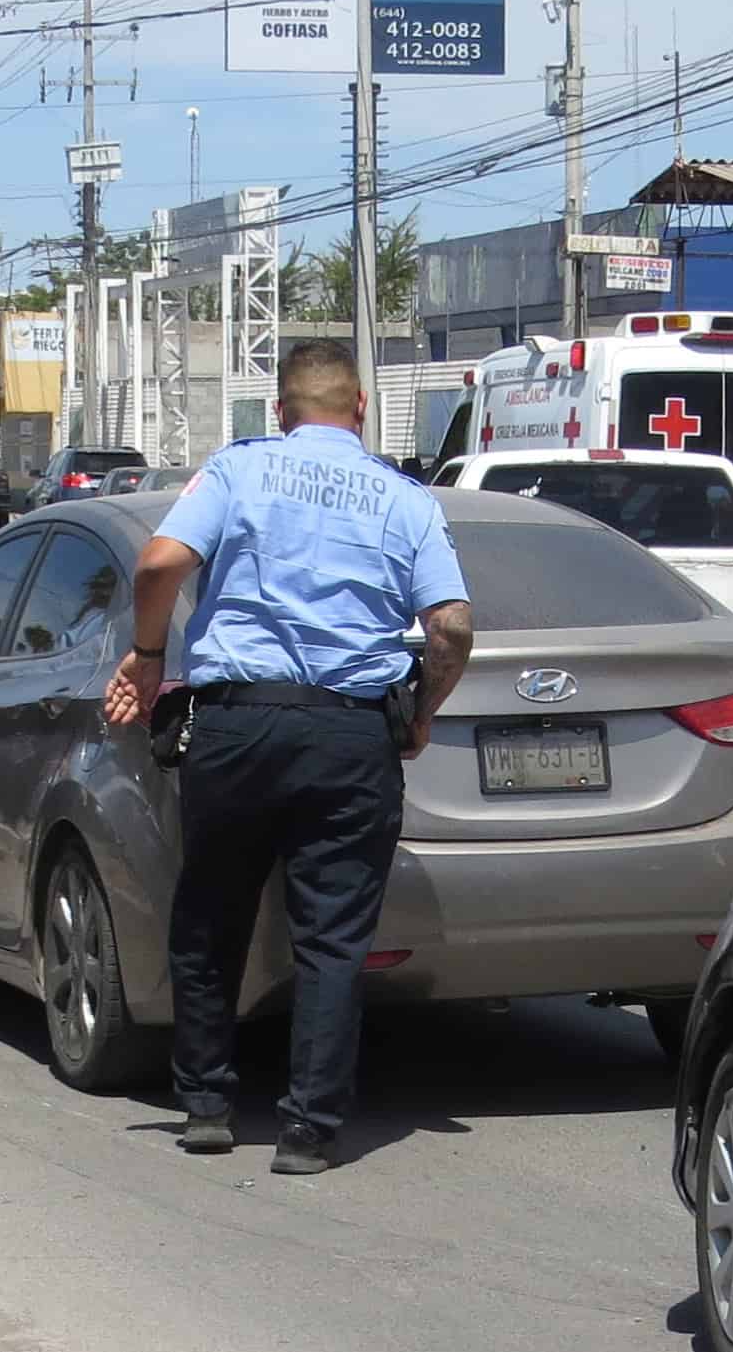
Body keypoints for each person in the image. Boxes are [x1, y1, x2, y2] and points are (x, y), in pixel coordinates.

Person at [100, 340, 472, 1176]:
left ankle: (205, 1105)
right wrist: (420, 713)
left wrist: (149, 655)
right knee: (332, 939)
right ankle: (309, 1129)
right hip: (349, 734)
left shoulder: (239, 470)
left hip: (238, 727)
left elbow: (161, 562)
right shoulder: (404, 497)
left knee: (211, 916)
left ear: (280, 411)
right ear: (363, 411)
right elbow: (450, 627)